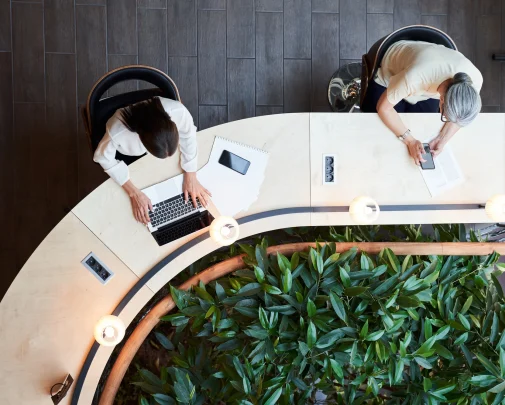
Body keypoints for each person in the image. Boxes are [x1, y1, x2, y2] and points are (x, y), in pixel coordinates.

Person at [361, 40, 483, 165]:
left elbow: (459, 118)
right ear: (442, 100)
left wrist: (442, 139)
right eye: (446, 116)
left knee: (421, 129)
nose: (449, 120)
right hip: (390, 76)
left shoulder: (474, 81)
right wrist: (410, 141)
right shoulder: (415, 77)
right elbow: (384, 108)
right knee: (377, 132)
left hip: (424, 90)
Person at [93, 96, 211, 225]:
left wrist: (191, 174)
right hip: (129, 157)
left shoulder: (178, 111)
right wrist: (134, 193)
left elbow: (188, 135)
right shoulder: (117, 133)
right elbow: (102, 158)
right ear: (140, 138)